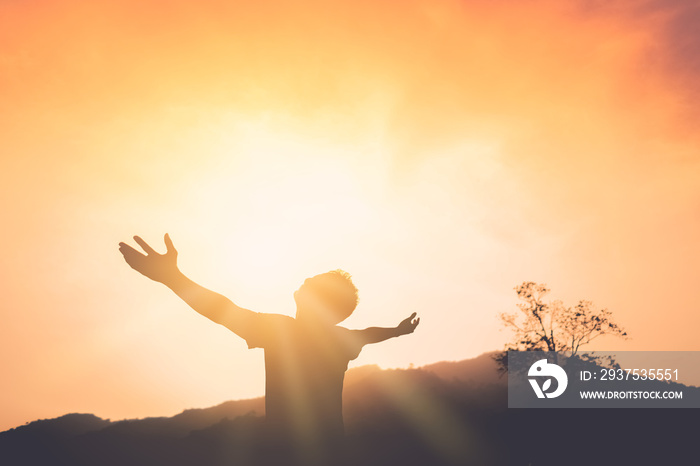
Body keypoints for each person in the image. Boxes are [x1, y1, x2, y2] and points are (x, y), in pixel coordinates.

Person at [118, 234, 420, 461]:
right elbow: (368, 334)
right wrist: (397, 331)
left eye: (311, 282)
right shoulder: (340, 340)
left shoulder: (282, 332)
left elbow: (221, 309)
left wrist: (173, 277)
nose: (304, 280)